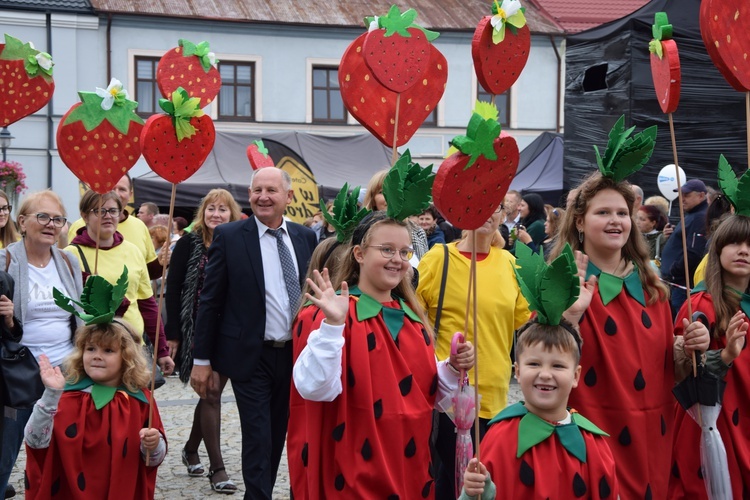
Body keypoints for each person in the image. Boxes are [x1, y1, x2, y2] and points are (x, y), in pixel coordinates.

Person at [288, 212, 475, 498]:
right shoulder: (330, 315)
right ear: (359, 254)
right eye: (386, 249)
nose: (397, 259)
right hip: (351, 473)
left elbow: (426, 395)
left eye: (404, 251)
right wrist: (333, 327)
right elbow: (314, 389)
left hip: (409, 471)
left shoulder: (413, 320)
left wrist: (451, 367)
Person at [553, 172, 709, 499]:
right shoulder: (561, 283)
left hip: (653, 443)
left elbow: (669, 366)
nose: (615, 221)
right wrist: (568, 315)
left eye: (622, 213)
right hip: (590, 442)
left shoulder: (653, 290)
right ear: (579, 222)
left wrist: (689, 348)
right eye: (603, 212)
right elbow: (538, 361)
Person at [190, 167, 317, 499]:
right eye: (257, 190)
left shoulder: (305, 237)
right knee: (258, 433)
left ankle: (263, 490)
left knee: (277, 433)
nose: (263, 197)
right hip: (250, 354)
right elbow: (210, 300)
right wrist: (201, 359)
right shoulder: (231, 236)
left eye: (271, 190)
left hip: (294, 353)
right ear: (249, 195)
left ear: (288, 197)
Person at [417, 205, 530, 499]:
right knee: (453, 482)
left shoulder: (510, 263)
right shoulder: (438, 258)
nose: (487, 211)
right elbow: (413, 319)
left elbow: (524, 320)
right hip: (450, 398)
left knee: (480, 482)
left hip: (496, 394)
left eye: (497, 206)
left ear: (504, 215)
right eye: (480, 202)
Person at [460, 323, 619, 499]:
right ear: (518, 372)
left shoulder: (593, 443)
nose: (545, 374)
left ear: (575, 376)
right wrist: (472, 493)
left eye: (557, 366)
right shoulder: (499, 438)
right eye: (534, 364)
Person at [24, 320, 166, 499]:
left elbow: (152, 460)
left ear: (127, 357)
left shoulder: (139, 401)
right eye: (90, 349)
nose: (97, 356)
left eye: (108, 350)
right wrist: (51, 395)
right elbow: (35, 441)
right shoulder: (66, 397)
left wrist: (153, 445)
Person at [0, 190, 83, 495]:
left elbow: (79, 316)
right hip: (18, 371)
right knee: (6, 448)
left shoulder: (68, 261)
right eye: (43, 217)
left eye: (58, 219)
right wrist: (7, 319)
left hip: (66, 370)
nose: (51, 224)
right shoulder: (5, 260)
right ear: (22, 222)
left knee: (62, 448)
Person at [165, 188, 241, 493]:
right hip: (195, 327)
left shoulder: (237, 241)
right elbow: (172, 289)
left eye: (223, 210)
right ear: (203, 213)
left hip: (229, 329)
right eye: (211, 209)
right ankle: (217, 469)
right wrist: (172, 335)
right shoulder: (188, 242)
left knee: (210, 393)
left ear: (231, 214)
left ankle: (190, 449)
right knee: (209, 394)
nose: (216, 215)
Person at [668, 214, 749, 499]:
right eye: (734, 242)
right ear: (717, 250)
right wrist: (722, 355)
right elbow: (682, 371)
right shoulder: (701, 303)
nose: (743, 250)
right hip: (715, 421)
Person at [65, 190, 174, 379]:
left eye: (113, 211)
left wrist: (161, 350)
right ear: (84, 216)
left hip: (132, 345)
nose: (108, 216)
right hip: (94, 350)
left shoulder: (132, 251)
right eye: (100, 211)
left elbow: (147, 305)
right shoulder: (70, 255)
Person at [68, 174, 162, 280]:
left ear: (130, 194)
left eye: (122, 189)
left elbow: (147, 272)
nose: (116, 194)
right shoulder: (79, 226)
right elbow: (68, 269)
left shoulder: (139, 226)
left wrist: (163, 262)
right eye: (111, 188)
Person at [660, 179, 709, 316]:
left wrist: (674, 271)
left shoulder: (700, 217)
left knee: (681, 324)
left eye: (686, 195)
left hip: (681, 284)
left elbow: (694, 252)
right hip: (677, 283)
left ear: (701, 195)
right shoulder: (693, 216)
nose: (682, 199)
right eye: (681, 195)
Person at [363, 169, 429, 259]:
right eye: (382, 192)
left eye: (395, 191)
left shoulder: (418, 232)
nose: (390, 197)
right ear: (373, 199)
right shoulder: (361, 230)